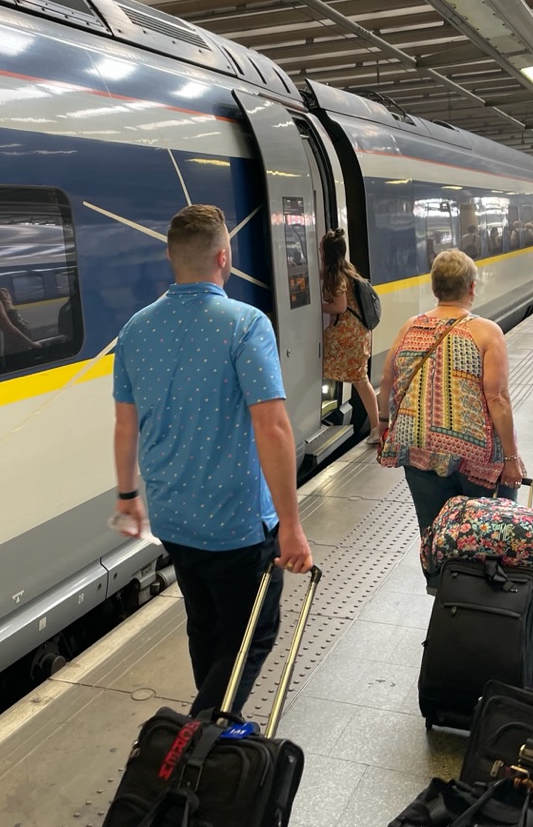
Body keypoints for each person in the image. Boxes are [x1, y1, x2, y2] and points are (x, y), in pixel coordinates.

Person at [111, 204, 313, 716]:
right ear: (224, 257)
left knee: (205, 625)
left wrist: (128, 495)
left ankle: (217, 727)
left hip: (173, 516)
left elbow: (125, 424)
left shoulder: (135, 328)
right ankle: (198, 736)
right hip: (236, 522)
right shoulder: (245, 323)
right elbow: (272, 427)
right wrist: (291, 526)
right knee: (253, 635)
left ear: (170, 257)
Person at [377, 250, 524, 543]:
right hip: (475, 452)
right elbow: (497, 399)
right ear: (472, 287)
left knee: (434, 533)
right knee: (489, 534)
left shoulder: (410, 326)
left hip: (417, 443)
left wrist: (382, 424)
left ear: (434, 288)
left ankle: (438, 572)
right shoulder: (486, 332)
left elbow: (387, 380)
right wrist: (511, 458)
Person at [320, 228, 382, 444]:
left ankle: (377, 427)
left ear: (326, 253)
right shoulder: (346, 269)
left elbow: (339, 306)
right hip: (356, 333)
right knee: (360, 380)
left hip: (349, 335)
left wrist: (316, 307)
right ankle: (377, 427)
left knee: (360, 380)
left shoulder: (336, 276)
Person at [0, 288, 42, 356]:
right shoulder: (12, 313)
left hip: (8, 349)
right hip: (19, 350)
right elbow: (21, 330)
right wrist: (32, 344)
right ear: (6, 299)